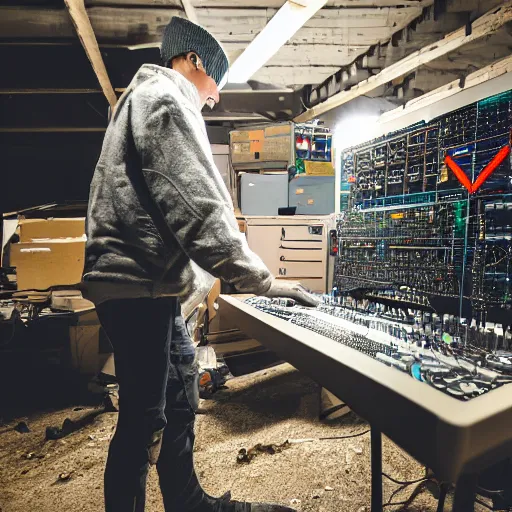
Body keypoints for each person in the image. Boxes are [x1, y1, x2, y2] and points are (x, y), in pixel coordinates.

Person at [83, 16, 318, 512]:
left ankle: (187, 500)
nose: (214, 98)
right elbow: (200, 209)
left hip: (146, 285)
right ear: (192, 62)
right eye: (216, 83)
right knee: (144, 419)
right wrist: (265, 282)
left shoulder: (140, 100)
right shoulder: (166, 100)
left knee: (181, 382)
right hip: (135, 286)